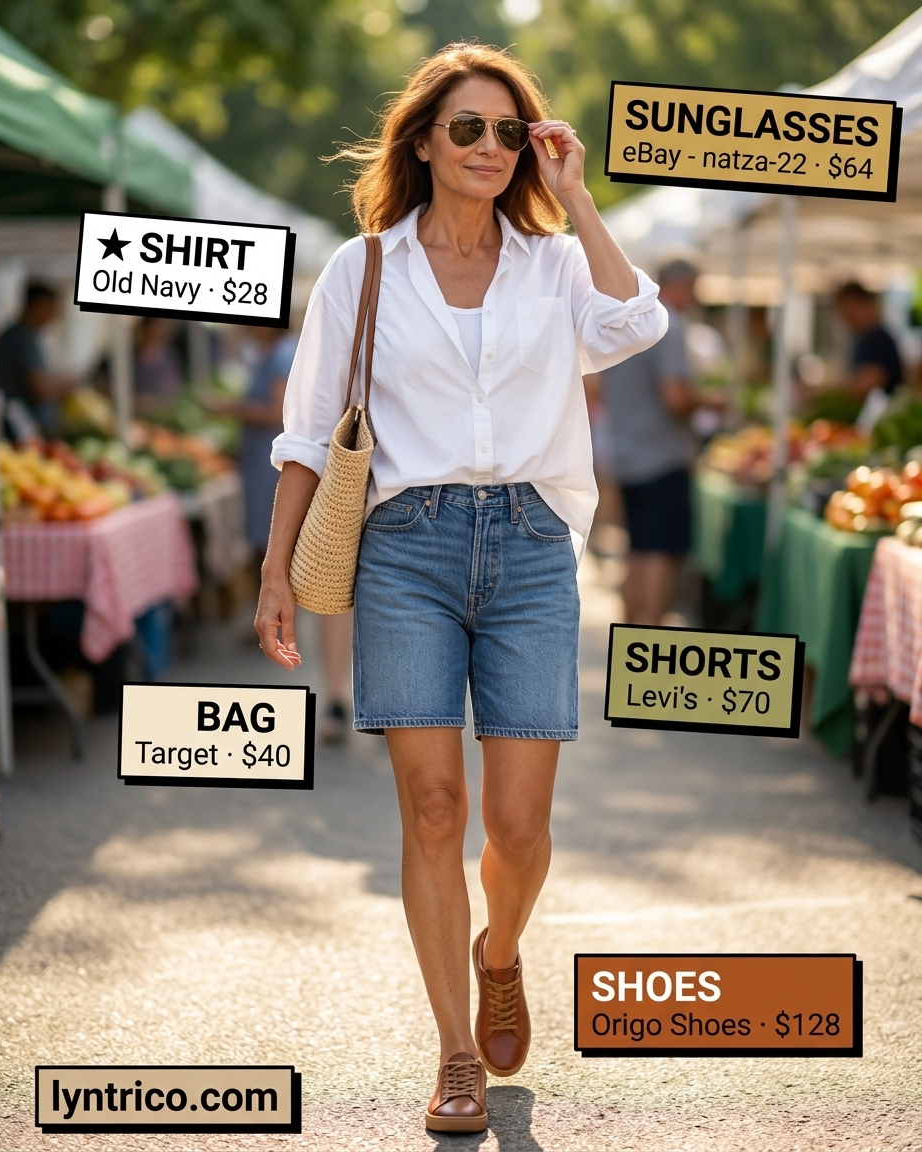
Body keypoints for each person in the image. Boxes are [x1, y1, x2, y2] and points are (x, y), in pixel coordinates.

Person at [256, 44, 664, 1131]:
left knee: (519, 828)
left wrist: (576, 196)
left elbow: (635, 322)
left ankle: (501, 950)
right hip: (406, 547)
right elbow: (305, 433)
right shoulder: (361, 270)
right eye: (467, 129)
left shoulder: (552, 262)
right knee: (434, 808)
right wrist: (275, 572)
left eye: (508, 131)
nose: (489, 148)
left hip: (531, 545)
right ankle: (452, 1053)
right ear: (425, 143)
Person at [207, 327, 353, 741]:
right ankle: (342, 697)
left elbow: (290, 423)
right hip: (334, 479)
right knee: (336, 593)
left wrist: (230, 408)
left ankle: (346, 697)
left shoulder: (290, 353)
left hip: (334, 480)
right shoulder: (288, 352)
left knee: (337, 592)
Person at [591, 259, 716, 626]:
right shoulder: (669, 325)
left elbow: (597, 388)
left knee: (638, 551)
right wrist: (708, 401)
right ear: (681, 285)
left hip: (625, 452)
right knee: (661, 553)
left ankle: (629, 633)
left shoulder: (620, 323)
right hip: (661, 456)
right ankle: (648, 636)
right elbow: (675, 397)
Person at [0, 283, 73, 430]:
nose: (56, 313)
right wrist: (68, 385)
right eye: (52, 306)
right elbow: (40, 389)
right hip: (22, 425)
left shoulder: (26, 337)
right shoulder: (19, 339)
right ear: (38, 305)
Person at [834, 281, 903, 399]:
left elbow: (873, 380)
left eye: (849, 311)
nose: (846, 319)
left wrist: (838, 390)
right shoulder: (863, 339)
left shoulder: (879, 339)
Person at [134, 317, 184, 415]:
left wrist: (155, 402)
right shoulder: (128, 357)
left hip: (159, 416)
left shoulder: (170, 358)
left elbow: (175, 391)